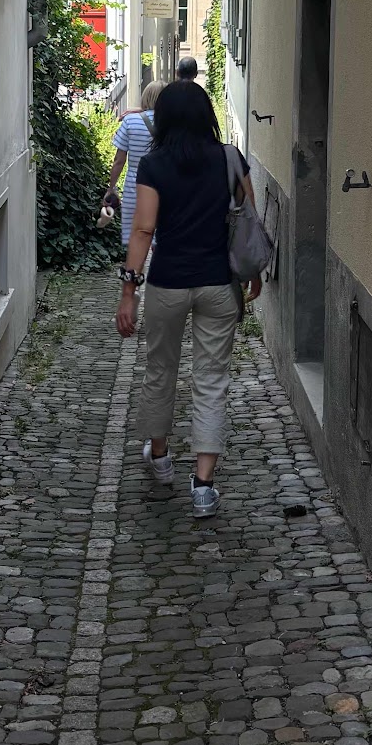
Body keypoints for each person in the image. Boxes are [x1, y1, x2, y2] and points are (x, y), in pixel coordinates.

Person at [116, 81, 262, 518]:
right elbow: (248, 218)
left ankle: (160, 458)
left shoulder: (154, 164)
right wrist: (253, 272)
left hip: (168, 283)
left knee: (160, 370)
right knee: (212, 380)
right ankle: (203, 486)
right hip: (218, 283)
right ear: (206, 116)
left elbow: (143, 229)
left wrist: (129, 291)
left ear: (162, 119)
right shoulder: (229, 158)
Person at [107, 81, 163, 249]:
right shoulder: (172, 124)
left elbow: (119, 160)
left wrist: (111, 188)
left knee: (135, 236)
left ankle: (136, 265)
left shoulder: (130, 121)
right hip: (164, 184)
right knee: (161, 237)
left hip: (135, 185)